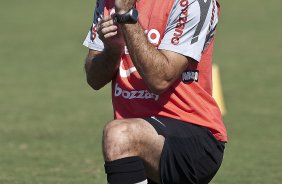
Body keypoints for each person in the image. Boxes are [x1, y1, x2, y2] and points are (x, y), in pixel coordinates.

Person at [83, 0, 227, 183]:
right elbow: (94, 79)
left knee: (120, 135)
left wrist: (127, 16)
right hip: (140, 136)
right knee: (122, 135)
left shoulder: (193, 2)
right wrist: (112, 48)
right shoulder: (108, 2)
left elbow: (160, 79)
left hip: (193, 132)